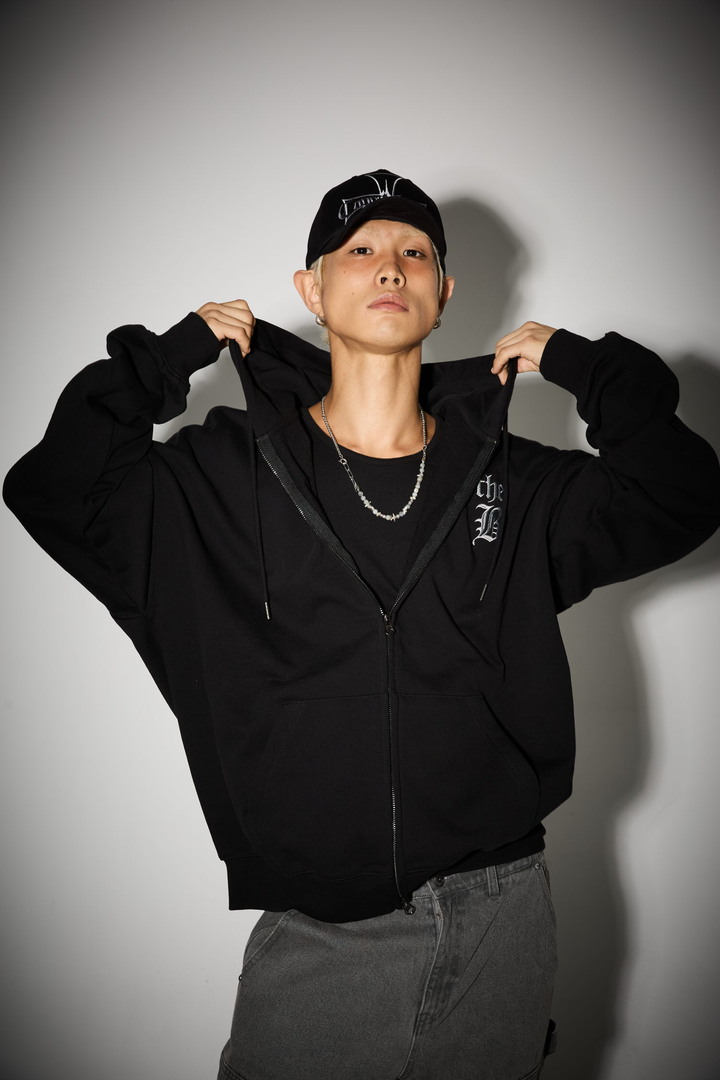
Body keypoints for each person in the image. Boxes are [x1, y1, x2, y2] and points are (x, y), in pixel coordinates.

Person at [4, 169, 720, 1080]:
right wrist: (164, 358)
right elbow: (55, 488)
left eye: (415, 251)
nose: (390, 265)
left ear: (443, 293)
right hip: (324, 935)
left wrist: (590, 367)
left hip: (502, 917)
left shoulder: (517, 482)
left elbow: (682, 493)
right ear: (311, 290)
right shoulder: (216, 476)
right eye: (361, 249)